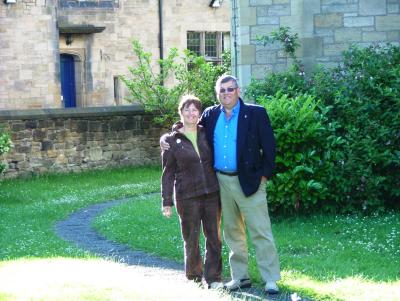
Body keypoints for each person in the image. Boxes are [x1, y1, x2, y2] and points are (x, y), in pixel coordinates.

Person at [161, 75, 281, 294]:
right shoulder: (211, 114)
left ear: (238, 90)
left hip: (250, 181)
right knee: (232, 232)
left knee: (260, 231)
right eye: (222, 90)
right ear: (217, 94)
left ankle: (270, 278)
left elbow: (270, 148)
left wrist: (263, 175)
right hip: (221, 182)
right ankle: (240, 277)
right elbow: (189, 125)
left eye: (230, 89)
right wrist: (168, 135)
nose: (226, 93)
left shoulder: (256, 113)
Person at [161, 95, 223, 290]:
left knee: (214, 237)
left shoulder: (206, 133)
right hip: (187, 196)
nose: (191, 113)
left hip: (211, 193)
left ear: (199, 113)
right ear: (181, 113)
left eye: (195, 109)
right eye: (187, 109)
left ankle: (213, 277)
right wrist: (166, 201)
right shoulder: (171, 141)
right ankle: (194, 277)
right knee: (191, 238)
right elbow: (167, 173)